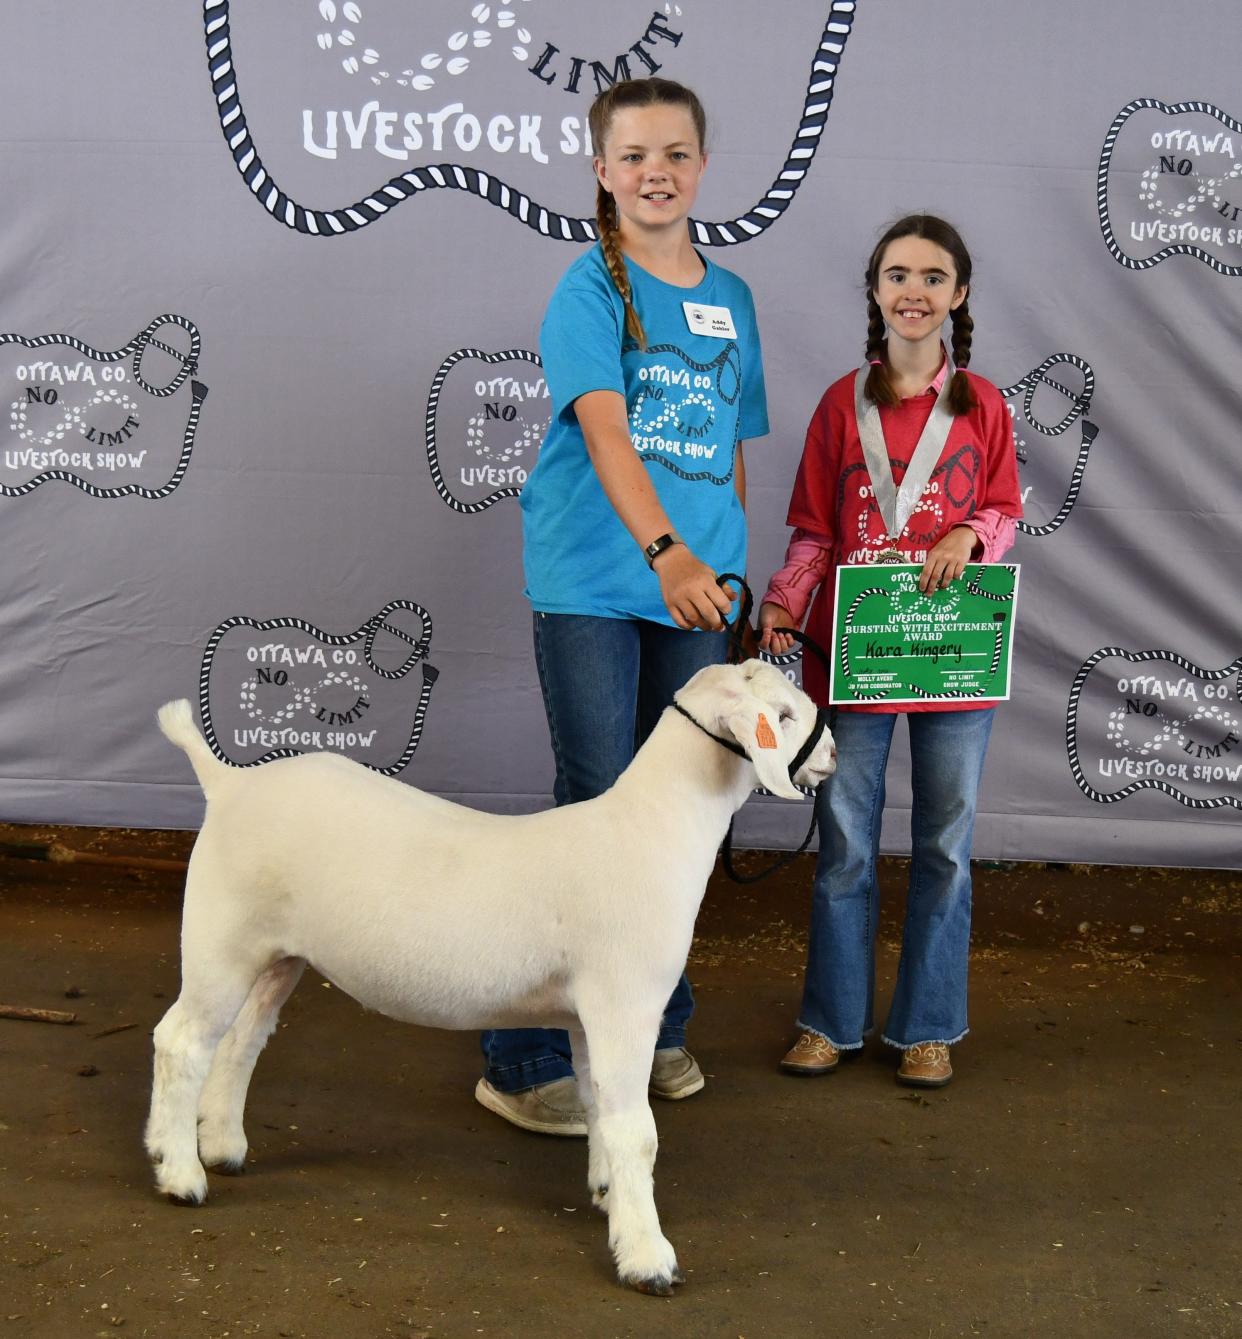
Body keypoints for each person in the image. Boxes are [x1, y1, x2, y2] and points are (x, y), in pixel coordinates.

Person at [475, 77, 769, 1134]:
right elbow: (606, 433)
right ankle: (521, 1055)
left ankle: (658, 1024)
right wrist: (666, 552)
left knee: (681, 820)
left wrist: (735, 581)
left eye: (677, 153)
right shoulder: (587, 290)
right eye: (635, 155)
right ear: (602, 171)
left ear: (701, 167)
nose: (657, 172)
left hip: (699, 592)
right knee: (595, 804)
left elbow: (729, 450)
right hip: (602, 582)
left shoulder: (731, 297)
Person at [758, 214, 1021, 1089]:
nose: (915, 291)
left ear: (960, 293)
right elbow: (811, 529)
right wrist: (783, 607)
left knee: (946, 842)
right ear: (875, 290)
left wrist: (970, 538)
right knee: (847, 843)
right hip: (857, 646)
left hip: (951, 650)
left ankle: (929, 1025)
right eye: (898, 275)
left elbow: (1009, 509)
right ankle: (831, 1021)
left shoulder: (985, 406)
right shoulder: (843, 402)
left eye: (933, 276)